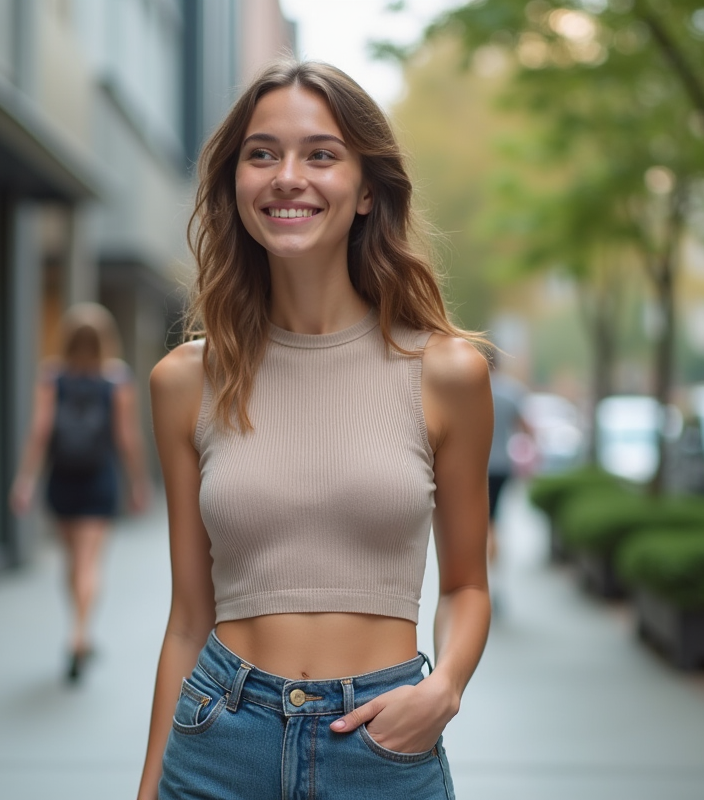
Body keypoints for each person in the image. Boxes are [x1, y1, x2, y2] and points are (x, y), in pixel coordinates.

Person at [137, 61, 493, 800]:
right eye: (262, 154)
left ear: (367, 190)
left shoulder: (448, 373)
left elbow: (465, 584)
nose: (286, 176)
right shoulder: (183, 382)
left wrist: (446, 687)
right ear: (235, 185)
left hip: (383, 744)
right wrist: (148, 789)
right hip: (218, 742)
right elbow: (188, 618)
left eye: (320, 154)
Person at [10, 303, 150, 684]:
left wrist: (25, 481)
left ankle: (78, 630)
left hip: (62, 479)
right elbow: (127, 438)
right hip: (99, 479)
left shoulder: (52, 377)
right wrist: (139, 482)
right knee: (91, 563)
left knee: (72, 563)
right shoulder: (117, 379)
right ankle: (80, 635)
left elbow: (40, 432)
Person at [485, 353, 530, 608]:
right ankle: (492, 582)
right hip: (502, 466)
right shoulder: (511, 392)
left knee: (479, 524)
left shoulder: (469, 387)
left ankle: (478, 581)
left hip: (475, 467)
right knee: (494, 523)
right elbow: (526, 429)